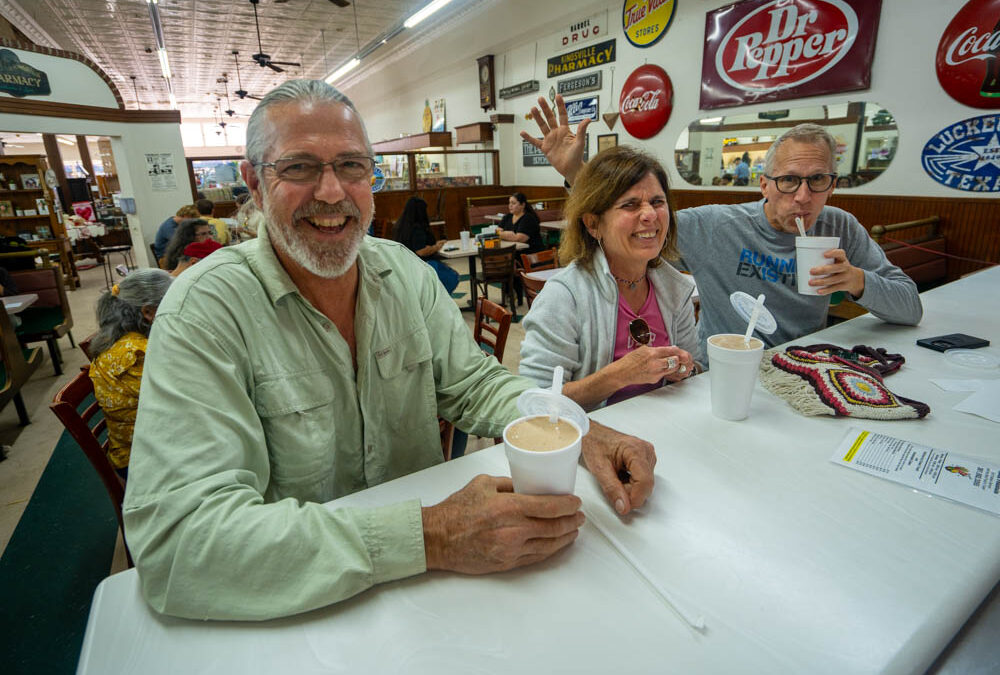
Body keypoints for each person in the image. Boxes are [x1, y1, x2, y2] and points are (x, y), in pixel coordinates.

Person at [123, 79, 655, 621]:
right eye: (299, 167)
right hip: (299, 610)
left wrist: (575, 427)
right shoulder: (205, 311)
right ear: (255, 186)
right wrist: (432, 534)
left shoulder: (404, 273)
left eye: (352, 166)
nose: (333, 192)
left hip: (432, 603)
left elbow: (475, 384)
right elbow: (179, 542)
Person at [521, 95, 922, 351]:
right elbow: (634, 226)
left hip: (803, 367)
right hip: (717, 373)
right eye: (788, 181)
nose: (803, 196)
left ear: (832, 186)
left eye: (817, 180)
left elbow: (910, 307)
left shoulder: (841, 228)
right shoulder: (717, 226)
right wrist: (577, 174)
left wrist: (857, 281)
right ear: (764, 184)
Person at [520, 146, 698, 411]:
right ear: (593, 224)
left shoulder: (675, 288)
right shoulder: (564, 296)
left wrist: (684, 369)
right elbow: (535, 400)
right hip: (593, 433)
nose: (650, 215)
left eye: (657, 202)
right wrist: (618, 376)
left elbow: (692, 370)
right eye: (630, 205)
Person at [88, 269, 173, 478]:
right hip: (143, 458)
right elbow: (181, 400)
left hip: (150, 444)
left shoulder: (124, 339)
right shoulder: (135, 355)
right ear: (149, 312)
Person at [392, 196, 458, 293]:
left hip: (406, 266)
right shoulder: (417, 228)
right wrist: (436, 247)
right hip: (423, 266)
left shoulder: (400, 226)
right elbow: (421, 251)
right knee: (452, 278)